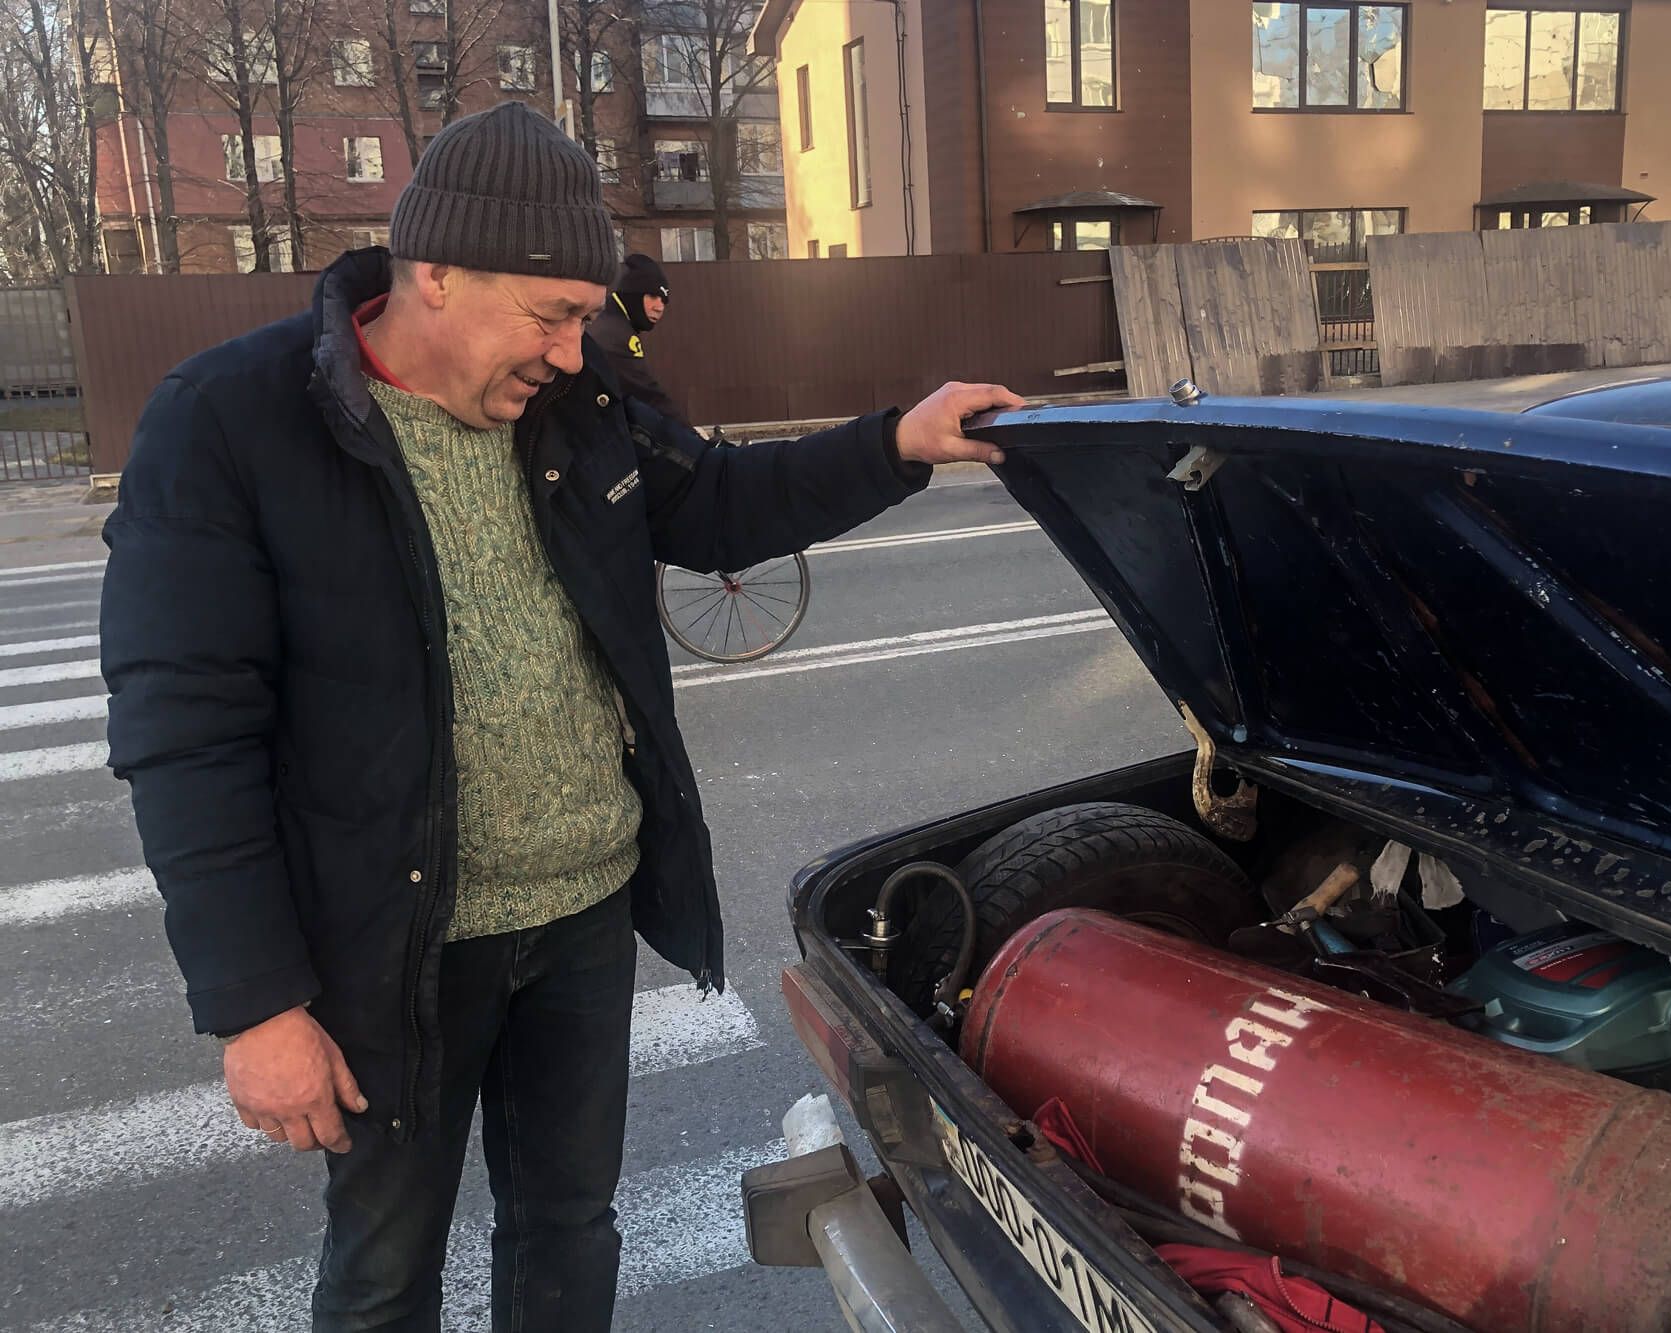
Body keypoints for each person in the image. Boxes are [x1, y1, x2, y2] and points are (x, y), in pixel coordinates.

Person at [97, 101, 1021, 1333]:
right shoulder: (229, 421)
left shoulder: (578, 407)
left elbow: (720, 503)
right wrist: (256, 1004)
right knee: (383, 1270)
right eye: (551, 314)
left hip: (581, 914)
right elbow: (184, 736)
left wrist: (898, 442)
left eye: (586, 317)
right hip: (393, 946)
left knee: (568, 1230)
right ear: (435, 273)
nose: (574, 353)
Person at [587, 251, 684, 425]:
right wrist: (690, 434)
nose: (659, 307)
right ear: (634, 294)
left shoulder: (604, 317)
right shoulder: (616, 334)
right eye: (653, 296)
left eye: (664, 300)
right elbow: (648, 395)